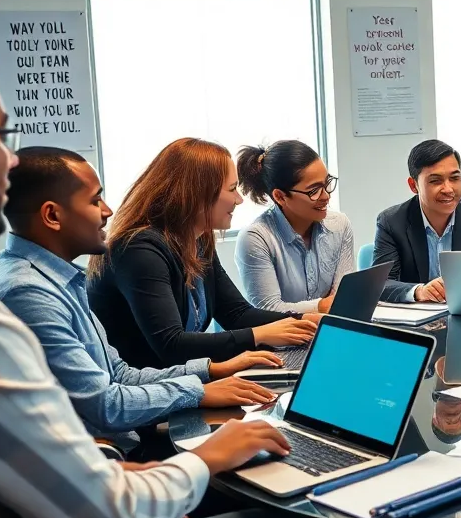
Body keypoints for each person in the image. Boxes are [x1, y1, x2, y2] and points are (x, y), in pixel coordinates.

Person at [0, 14, 349, 518]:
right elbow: (108, 515)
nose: (10, 164)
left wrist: (126, 458)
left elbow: (53, 455)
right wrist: (200, 463)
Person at [0, 147, 282, 454]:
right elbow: (107, 405)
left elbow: (121, 375)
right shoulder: (29, 293)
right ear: (52, 215)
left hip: (118, 449)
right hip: (104, 465)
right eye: (94, 199)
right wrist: (198, 392)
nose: (107, 211)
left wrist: (210, 371)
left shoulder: (58, 278)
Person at [87, 138, 319, 370]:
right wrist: (258, 335)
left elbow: (236, 313)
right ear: (197, 194)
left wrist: (305, 322)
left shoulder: (199, 240)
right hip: (144, 391)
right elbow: (171, 345)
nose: (239, 199)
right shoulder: (138, 250)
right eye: (231, 189)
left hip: (178, 383)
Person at [235, 140, 357, 313]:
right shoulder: (256, 238)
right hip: (282, 339)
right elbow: (268, 310)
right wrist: (321, 306)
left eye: (326, 183)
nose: (326, 196)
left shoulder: (339, 225)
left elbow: (342, 298)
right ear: (280, 196)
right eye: (314, 191)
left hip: (329, 330)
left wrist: (324, 307)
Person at [374, 139, 461, 303]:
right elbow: (380, 284)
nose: (448, 189)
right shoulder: (391, 222)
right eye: (436, 181)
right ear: (413, 185)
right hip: (415, 321)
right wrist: (419, 291)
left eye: (454, 178)